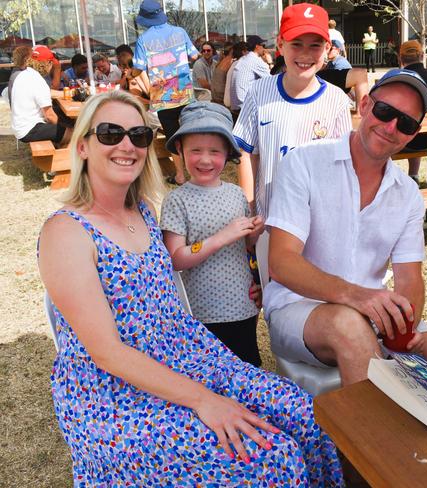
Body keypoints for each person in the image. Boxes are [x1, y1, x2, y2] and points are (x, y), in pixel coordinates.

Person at [38, 89, 344, 485]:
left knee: (304, 412)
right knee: (270, 456)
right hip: (113, 394)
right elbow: (108, 353)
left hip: (184, 353)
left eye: (139, 135)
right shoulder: (65, 232)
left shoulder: (144, 212)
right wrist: (204, 400)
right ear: (82, 146)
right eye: (111, 133)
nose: (127, 145)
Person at [264, 69, 427, 386]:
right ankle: (371, 435)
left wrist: (405, 326)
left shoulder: (407, 193)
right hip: (298, 308)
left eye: (405, 123)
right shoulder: (304, 163)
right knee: (350, 327)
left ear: (413, 133)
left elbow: (410, 279)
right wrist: (356, 296)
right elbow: (281, 262)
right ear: (364, 105)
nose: (392, 127)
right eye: (385, 111)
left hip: (370, 311)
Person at [160, 102, 264, 366]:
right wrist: (221, 238)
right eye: (196, 150)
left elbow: (245, 248)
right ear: (180, 150)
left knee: (246, 368)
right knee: (208, 376)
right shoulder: (177, 201)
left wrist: (254, 234)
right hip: (201, 312)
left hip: (242, 306)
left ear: (228, 153)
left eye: (215, 151)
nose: (205, 159)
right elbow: (175, 258)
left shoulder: (237, 194)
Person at [233, 3, 352, 218]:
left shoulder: (337, 101)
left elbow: (342, 168)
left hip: (317, 220)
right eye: (296, 44)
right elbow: (246, 153)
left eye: (315, 45)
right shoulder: (259, 91)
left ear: (327, 48)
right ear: (280, 44)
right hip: (268, 220)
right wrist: (249, 213)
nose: (305, 54)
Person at [130, 0, 200, 186]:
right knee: (190, 134)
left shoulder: (143, 40)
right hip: (185, 93)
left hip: (163, 98)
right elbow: (194, 56)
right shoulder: (180, 32)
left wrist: (131, 74)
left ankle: (180, 176)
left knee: (172, 135)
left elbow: (137, 69)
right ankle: (196, 174)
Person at [397, 40, 427, 185]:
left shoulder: (401, 79)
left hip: (411, 141)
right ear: (422, 55)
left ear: (400, 57)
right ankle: (413, 175)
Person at [9, 45, 71, 146]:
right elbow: (50, 116)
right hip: (29, 129)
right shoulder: (37, 80)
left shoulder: (24, 74)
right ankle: (67, 159)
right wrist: (63, 130)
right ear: (48, 63)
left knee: (63, 123)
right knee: (72, 133)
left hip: (20, 126)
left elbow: (45, 93)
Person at [230, 35, 272, 114]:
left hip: (236, 106)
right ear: (257, 46)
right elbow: (272, 82)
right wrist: (270, 62)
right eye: (263, 46)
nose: (264, 48)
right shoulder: (255, 60)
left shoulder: (244, 58)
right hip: (245, 108)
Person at [224, 42, 248, 109]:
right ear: (243, 52)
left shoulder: (235, 63)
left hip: (229, 103)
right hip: (236, 106)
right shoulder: (243, 64)